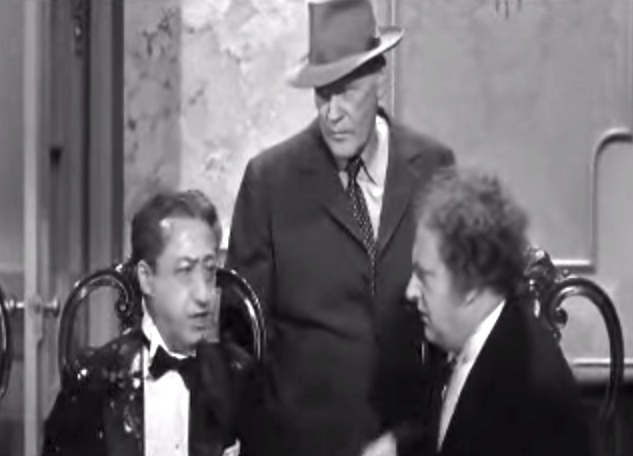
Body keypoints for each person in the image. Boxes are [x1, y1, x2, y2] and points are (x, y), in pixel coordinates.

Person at [225, 1, 454, 455]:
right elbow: (239, 340)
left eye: (346, 91)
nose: (333, 113)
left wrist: (412, 437)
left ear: (379, 79)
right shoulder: (269, 182)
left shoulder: (433, 168)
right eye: (322, 94)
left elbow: (455, 322)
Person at [43, 190, 249, 456]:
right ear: (147, 278)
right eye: (185, 271)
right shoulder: (92, 384)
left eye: (209, 271)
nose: (203, 294)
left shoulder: (241, 379)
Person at [404, 168, 593, 456]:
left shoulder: (531, 395)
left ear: (472, 284)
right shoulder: (457, 338)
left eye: (424, 276)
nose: (410, 291)